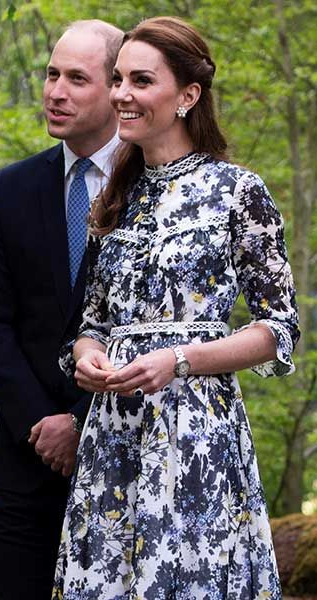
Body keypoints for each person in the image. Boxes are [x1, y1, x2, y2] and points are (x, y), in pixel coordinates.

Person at [53, 16, 299, 599]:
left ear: (188, 95)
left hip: (195, 434)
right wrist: (88, 357)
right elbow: (91, 324)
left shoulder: (237, 190)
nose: (121, 95)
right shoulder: (115, 194)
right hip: (112, 435)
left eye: (141, 81)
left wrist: (180, 360)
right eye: (117, 79)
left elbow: (279, 329)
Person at [0, 20, 124, 600]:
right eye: (51, 74)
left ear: (117, 89)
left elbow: (161, 323)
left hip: (125, 448)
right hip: (25, 452)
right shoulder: (13, 186)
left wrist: (81, 421)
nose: (55, 91)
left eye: (76, 79)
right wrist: (43, 423)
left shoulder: (156, 186)